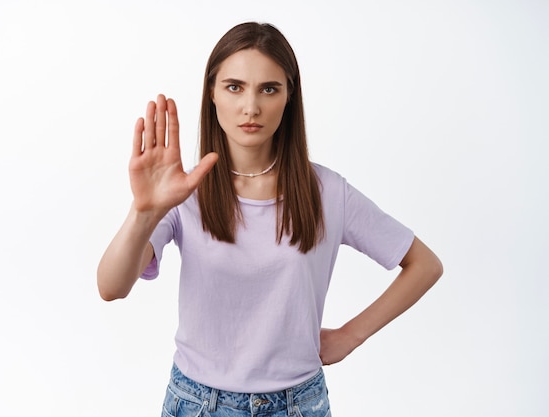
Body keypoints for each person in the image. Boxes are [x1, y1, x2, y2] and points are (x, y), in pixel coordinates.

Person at [97, 21, 443, 417]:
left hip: (298, 404)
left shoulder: (328, 192)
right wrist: (143, 212)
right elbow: (111, 286)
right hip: (197, 403)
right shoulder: (182, 192)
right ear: (212, 93)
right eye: (234, 87)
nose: (251, 107)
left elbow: (424, 265)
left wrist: (351, 336)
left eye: (269, 89)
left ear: (289, 96)